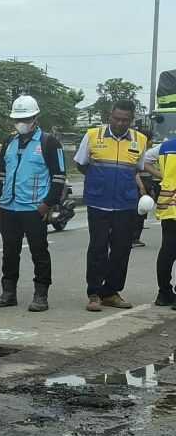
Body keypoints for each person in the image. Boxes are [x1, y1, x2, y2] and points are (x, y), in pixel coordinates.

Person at [0, 95, 66, 312]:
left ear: (35, 118)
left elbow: (59, 177)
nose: (21, 123)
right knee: (9, 252)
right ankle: (8, 293)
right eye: (18, 119)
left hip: (34, 209)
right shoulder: (8, 142)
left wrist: (47, 204)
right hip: (9, 206)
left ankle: (41, 294)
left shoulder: (49, 143)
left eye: (25, 119)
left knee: (39, 252)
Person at [75, 101, 148, 312]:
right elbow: (81, 164)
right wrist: (99, 181)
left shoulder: (140, 140)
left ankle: (111, 292)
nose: (120, 123)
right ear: (110, 116)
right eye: (117, 118)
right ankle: (94, 293)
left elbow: (136, 168)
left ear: (132, 120)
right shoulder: (92, 135)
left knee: (121, 249)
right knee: (98, 248)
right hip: (98, 203)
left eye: (125, 120)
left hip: (125, 204)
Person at [146, 138, 176, 307]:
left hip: (169, 205)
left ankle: (164, 293)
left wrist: (164, 176)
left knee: (167, 251)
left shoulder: (166, 146)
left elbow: (144, 161)